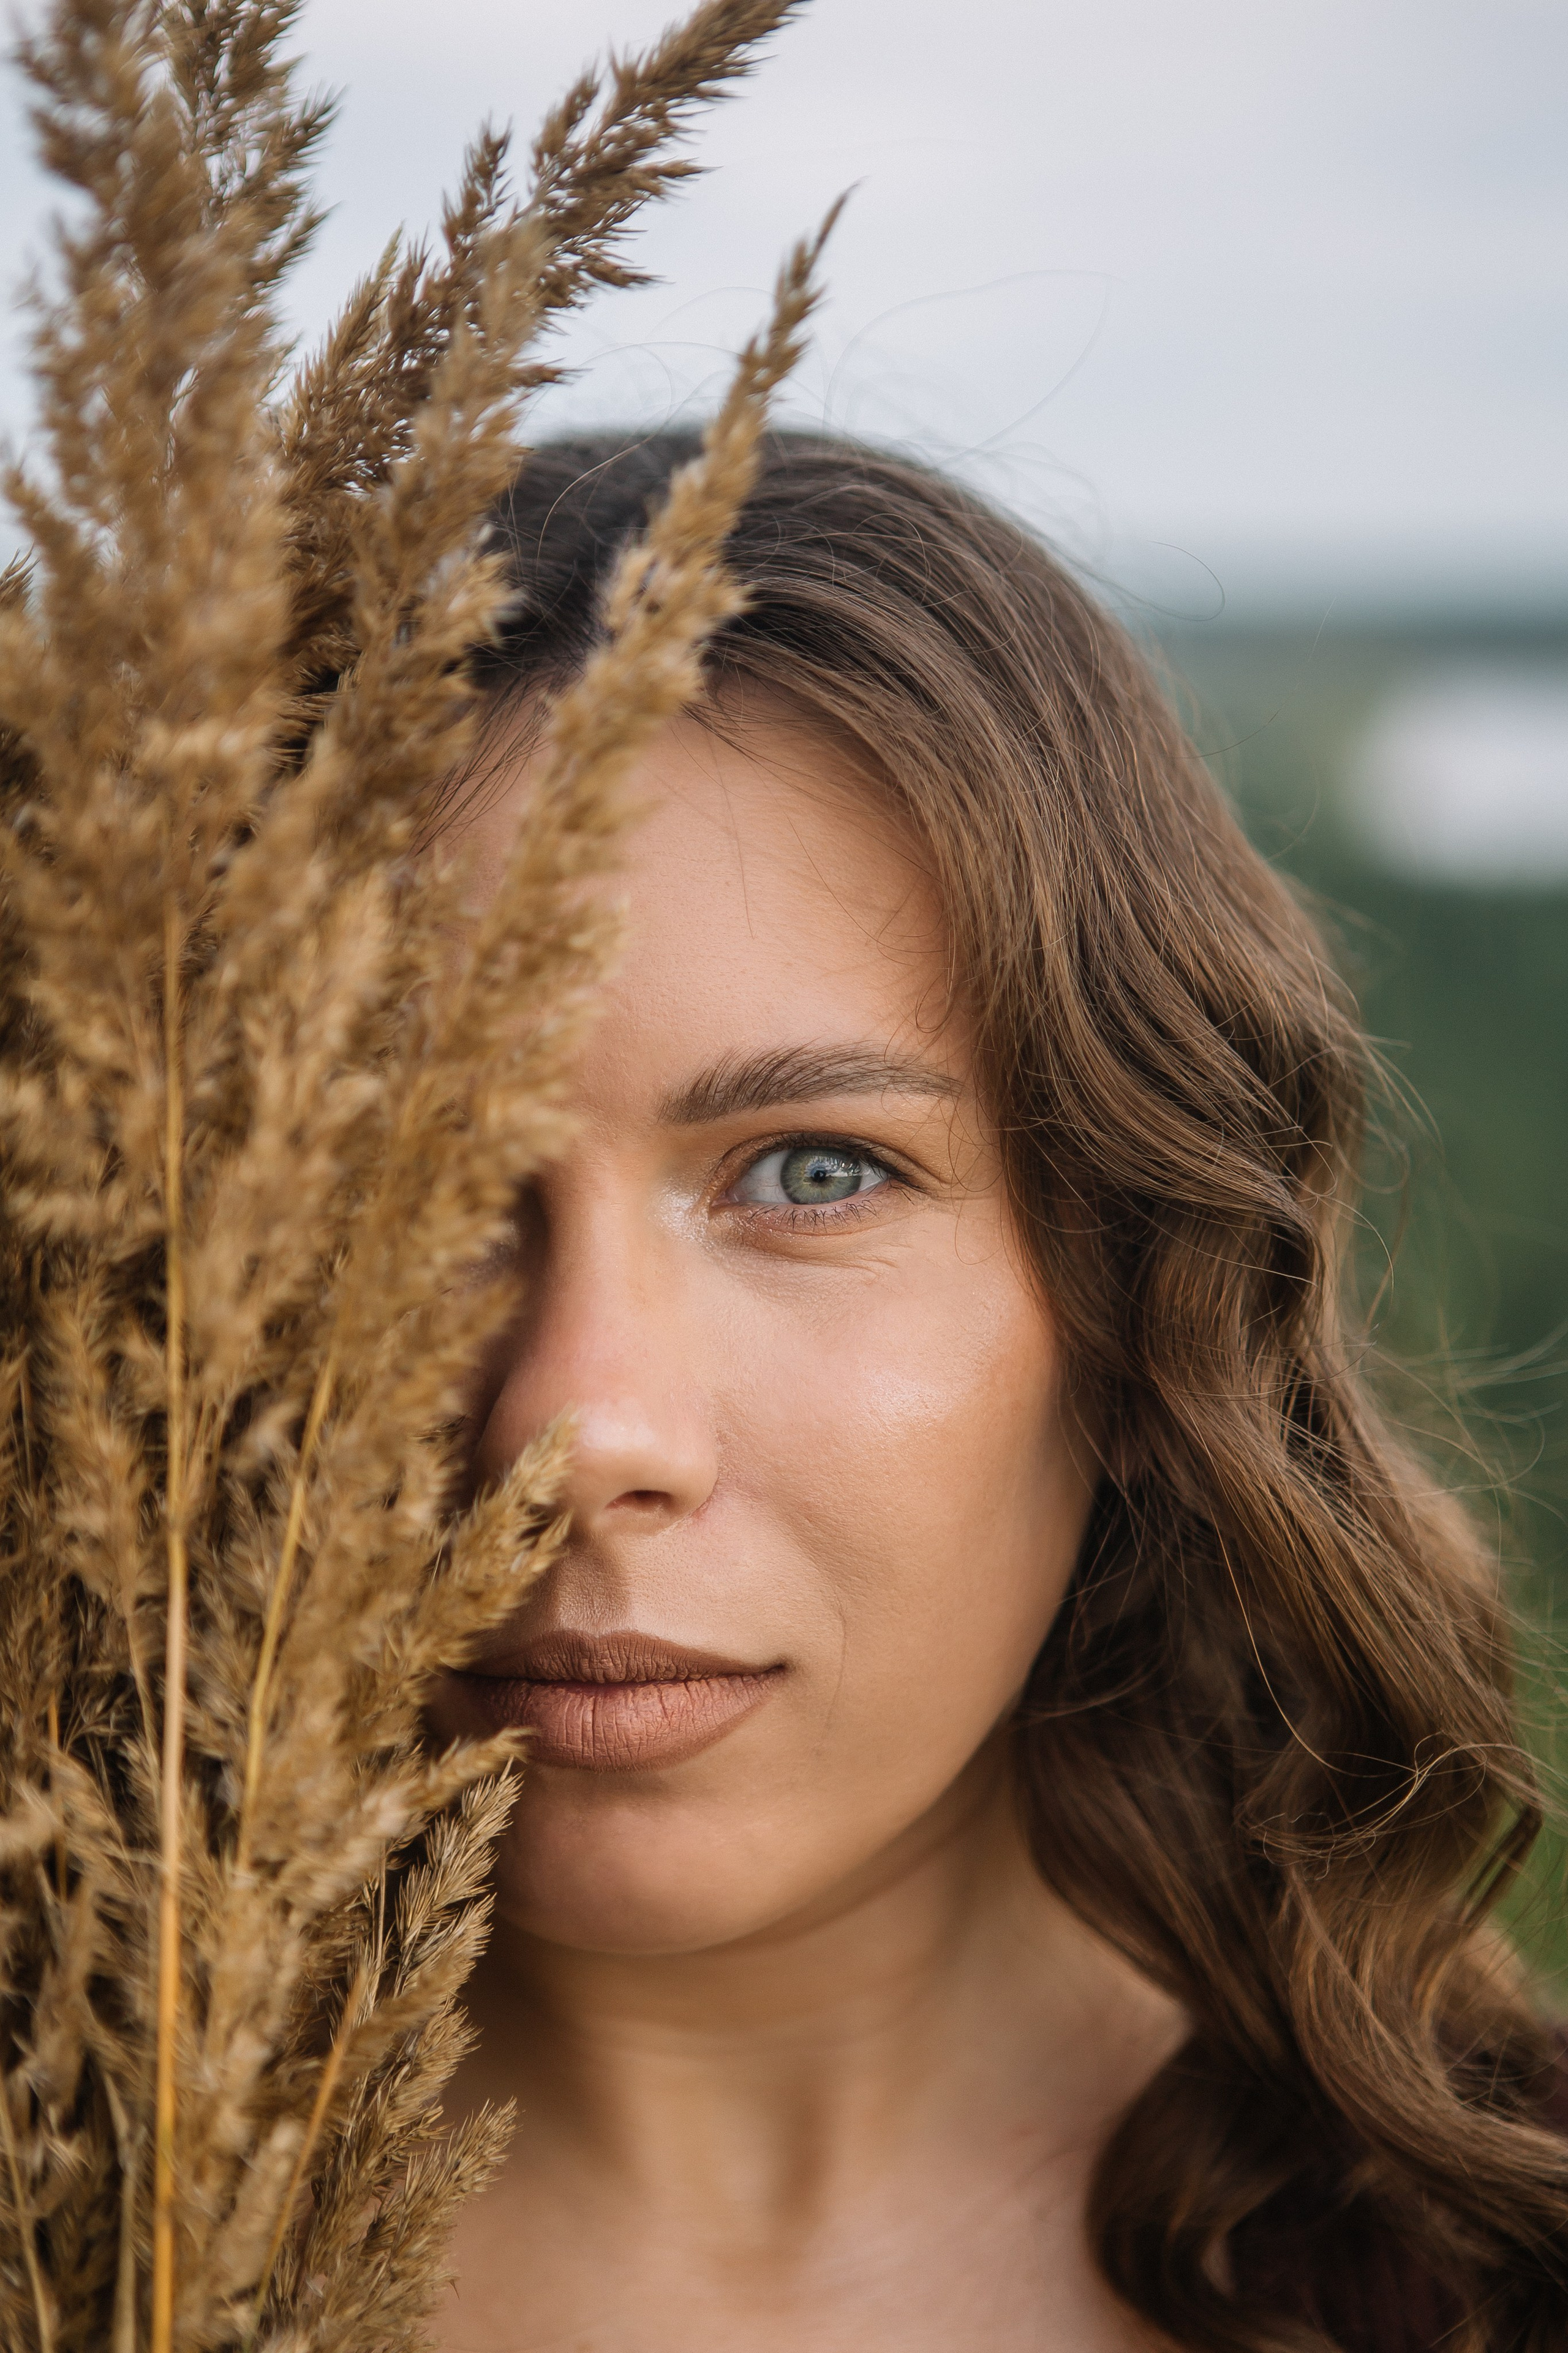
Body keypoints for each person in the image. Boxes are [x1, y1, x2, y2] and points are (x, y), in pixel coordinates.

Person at [425, 432, 1567, 2353]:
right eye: (419, 1194)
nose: (584, 1425)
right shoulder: (88, 2208)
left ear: (1135, 1298)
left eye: (813, 1169)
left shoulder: (1499, 2250)